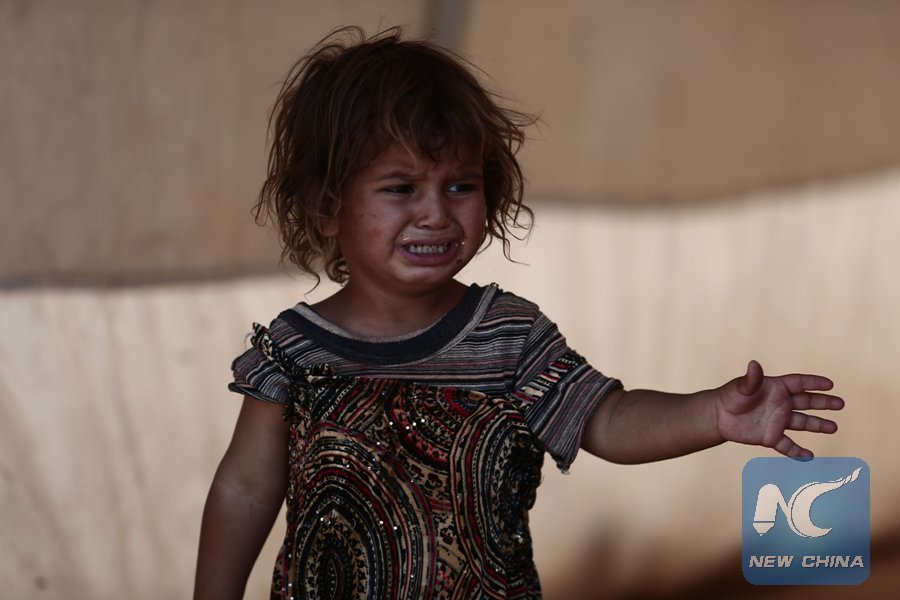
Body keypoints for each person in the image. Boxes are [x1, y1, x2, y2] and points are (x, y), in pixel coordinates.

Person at [194, 26, 843, 599]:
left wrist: (712, 412)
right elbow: (245, 488)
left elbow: (607, 419)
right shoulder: (293, 350)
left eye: (460, 186)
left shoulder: (510, 335)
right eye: (401, 188)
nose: (436, 213)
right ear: (326, 207)